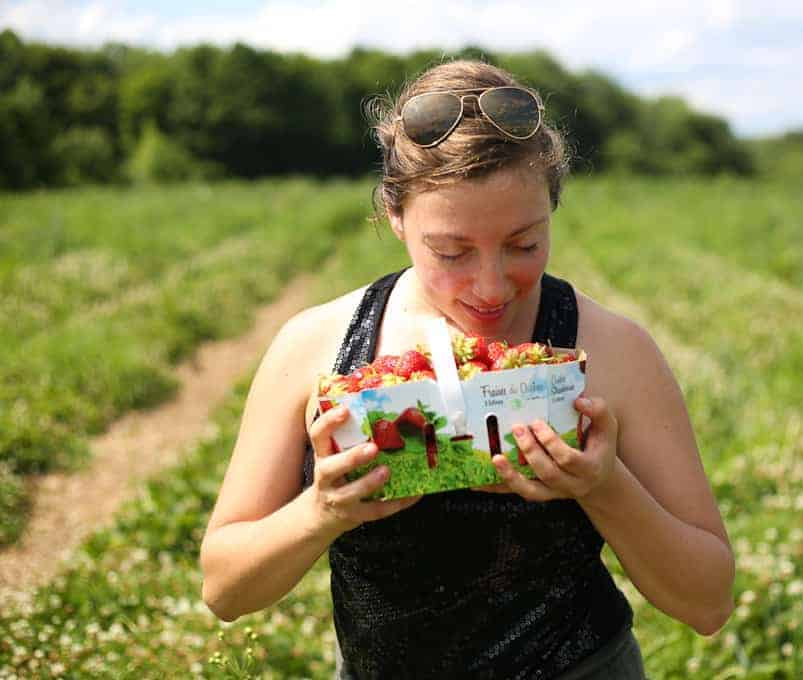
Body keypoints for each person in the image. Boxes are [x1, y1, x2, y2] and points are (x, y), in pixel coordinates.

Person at [199, 59, 734, 679]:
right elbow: (225, 589)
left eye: (524, 244)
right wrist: (321, 511)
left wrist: (603, 485)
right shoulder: (317, 346)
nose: (489, 286)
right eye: (451, 252)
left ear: (553, 208)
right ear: (396, 217)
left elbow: (708, 602)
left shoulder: (611, 352)